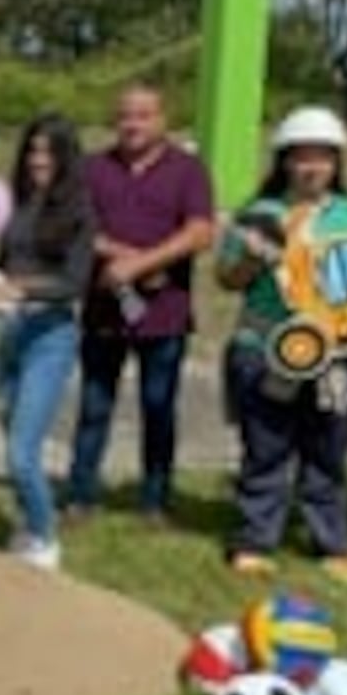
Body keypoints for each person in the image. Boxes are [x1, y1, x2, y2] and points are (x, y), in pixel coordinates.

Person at [215, 107, 347, 585]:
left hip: (337, 354)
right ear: (284, 161)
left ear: (336, 162)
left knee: (329, 448)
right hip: (264, 347)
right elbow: (227, 278)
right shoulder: (259, 213)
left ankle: (331, 543)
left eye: (322, 157)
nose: (311, 167)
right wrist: (252, 254)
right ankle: (254, 539)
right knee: (266, 447)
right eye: (301, 157)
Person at [71, 84, 216, 524]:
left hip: (164, 313)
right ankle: (80, 496)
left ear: (162, 120)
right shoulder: (92, 168)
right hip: (103, 311)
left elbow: (201, 232)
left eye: (143, 115)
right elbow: (75, 227)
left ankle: (155, 501)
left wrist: (144, 264)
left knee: (158, 407)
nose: (132, 124)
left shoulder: (188, 170)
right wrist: (120, 257)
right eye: (124, 116)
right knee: (94, 407)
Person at [0, 114, 95, 572]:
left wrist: (23, 288)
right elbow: (4, 266)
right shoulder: (19, 203)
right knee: (8, 429)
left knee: (21, 453)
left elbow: (74, 283)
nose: (38, 160)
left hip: (51, 336)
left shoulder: (79, 213)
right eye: (33, 150)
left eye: (49, 152)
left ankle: (47, 540)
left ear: (66, 158)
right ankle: (30, 526)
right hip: (7, 332)